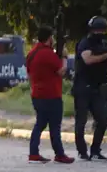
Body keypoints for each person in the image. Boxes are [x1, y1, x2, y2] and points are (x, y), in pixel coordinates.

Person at [26, 26, 73, 163]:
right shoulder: (47, 53)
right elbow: (61, 71)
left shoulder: (32, 53)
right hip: (51, 94)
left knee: (40, 123)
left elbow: (29, 73)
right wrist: (64, 57)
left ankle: (33, 152)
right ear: (49, 38)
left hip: (37, 93)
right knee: (54, 126)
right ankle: (59, 153)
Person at [72, 16, 107, 160]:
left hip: (98, 88)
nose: (99, 32)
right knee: (81, 121)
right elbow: (88, 59)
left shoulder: (105, 44)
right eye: (97, 29)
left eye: (102, 30)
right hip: (82, 87)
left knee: (103, 119)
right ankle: (82, 152)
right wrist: (106, 56)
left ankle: (95, 150)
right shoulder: (85, 43)